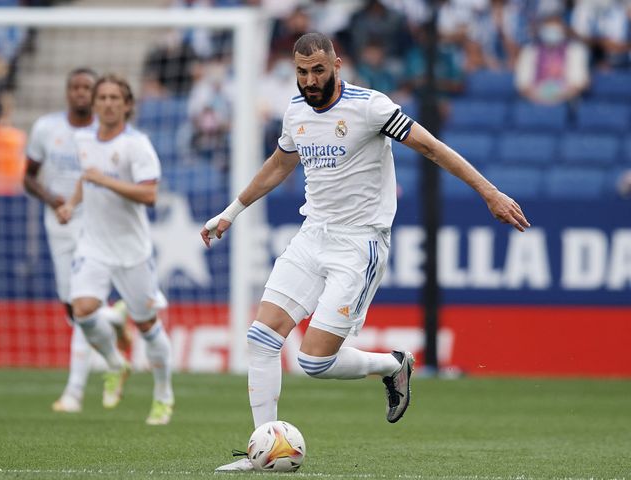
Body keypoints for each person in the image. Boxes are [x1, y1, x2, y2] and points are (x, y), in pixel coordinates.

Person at [202, 32, 530, 472]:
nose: (310, 79)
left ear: (337, 64)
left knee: (313, 362)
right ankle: (262, 448)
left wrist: (490, 193)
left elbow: (431, 147)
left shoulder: (370, 107)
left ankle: (393, 365)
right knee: (261, 338)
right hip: (312, 235)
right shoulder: (296, 110)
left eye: (318, 70)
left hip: (359, 244)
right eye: (302, 72)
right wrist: (231, 211)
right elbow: (280, 164)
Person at [58, 73, 174, 426]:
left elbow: (150, 195)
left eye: (115, 98)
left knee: (147, 324)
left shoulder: (137, 145)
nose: (108, 103)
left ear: (127, 105)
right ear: (93, 105)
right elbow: (87, 175)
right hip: (92, 245)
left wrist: (104, 180)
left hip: (132, 251)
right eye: (102, 97)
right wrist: (71, 204)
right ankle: (115, 362)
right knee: (82, 311)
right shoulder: (82, 139)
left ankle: (163, 395)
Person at [24, 68, 133, 414]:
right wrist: (55, 201)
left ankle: (73, 392)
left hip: (94, 225)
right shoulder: (46, 129)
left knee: (81, 303)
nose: (81, 93)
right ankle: (113, 323)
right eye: (76, 87)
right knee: (74, 310)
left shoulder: (107, 135)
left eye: (88, 88)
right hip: (59, 224)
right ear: (67, 92)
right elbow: (27, 177)